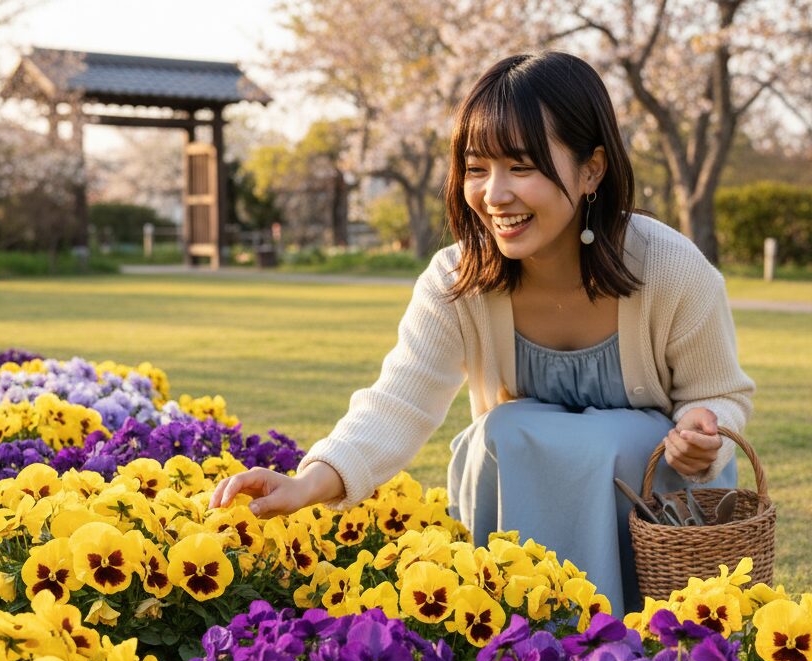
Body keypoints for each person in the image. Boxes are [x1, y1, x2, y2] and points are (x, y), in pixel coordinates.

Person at [209, 51, 754, 617]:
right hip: (528, 502)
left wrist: (702, 431)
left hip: (656, 520)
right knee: (505, 430)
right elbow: (400, 400)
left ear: (592, 169)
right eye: (476, 168)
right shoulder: (458, 278)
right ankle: (519, 631)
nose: (494, 194)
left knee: (589, 438)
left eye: (521, 167)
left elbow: (719, 394)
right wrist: (308, 483)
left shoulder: (668, 266)